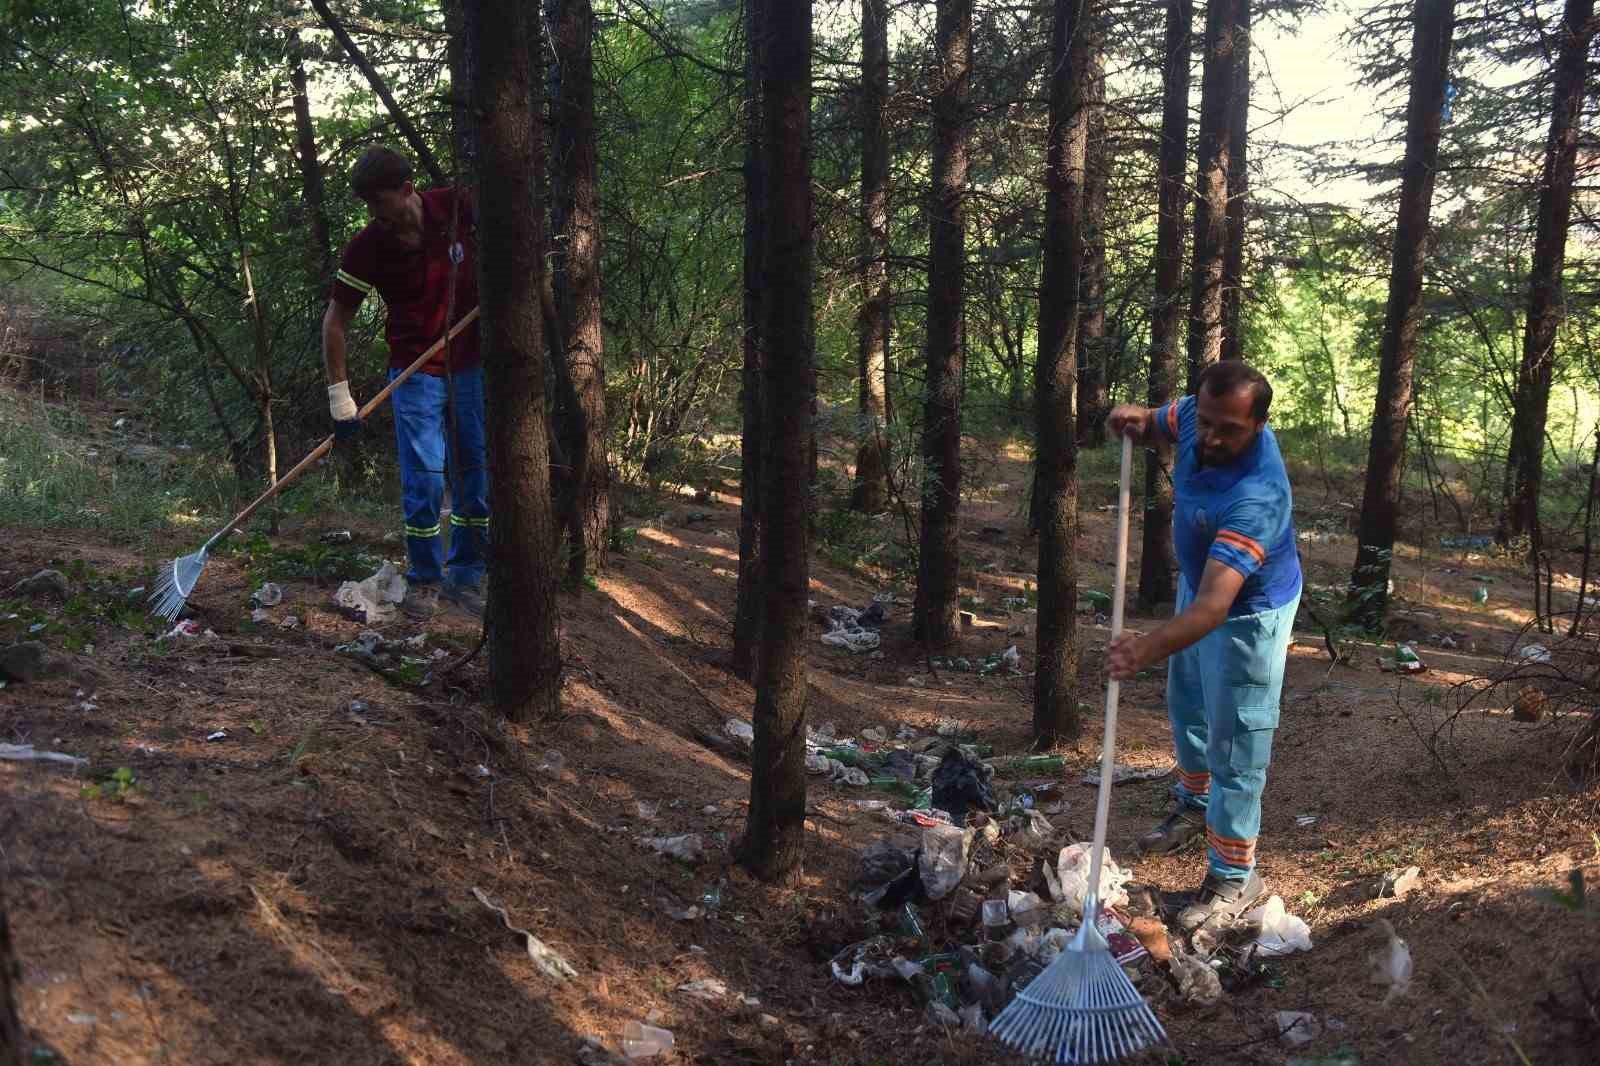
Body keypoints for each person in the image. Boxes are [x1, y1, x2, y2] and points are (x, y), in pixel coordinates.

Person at [1104, 361, 1302, 933]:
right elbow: (1164, 421)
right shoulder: (1196, 415)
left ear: (1260, 425)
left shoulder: (1258, 496)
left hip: (1246, 613)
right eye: (1209, 422)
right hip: (1200, 586)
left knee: (1236, 738)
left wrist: (1145, 647)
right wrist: (1138, 420)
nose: (1212, 438)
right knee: (1187, 704)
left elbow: (1217, 608)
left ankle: (1235, 880)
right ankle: (1194, 805)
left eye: (1230, 431)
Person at [322, 145, 486, 621]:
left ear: (407, 189)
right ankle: (426, 579)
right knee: (425, 480)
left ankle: (468, 576)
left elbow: (514, 242)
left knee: (474, 475)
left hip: (470, 366)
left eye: (379, 202)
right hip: (414, 375)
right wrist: (341, 402)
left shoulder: (459, 207)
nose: (375, 214)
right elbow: (335, 323)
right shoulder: (368, 246)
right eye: (368, 206)